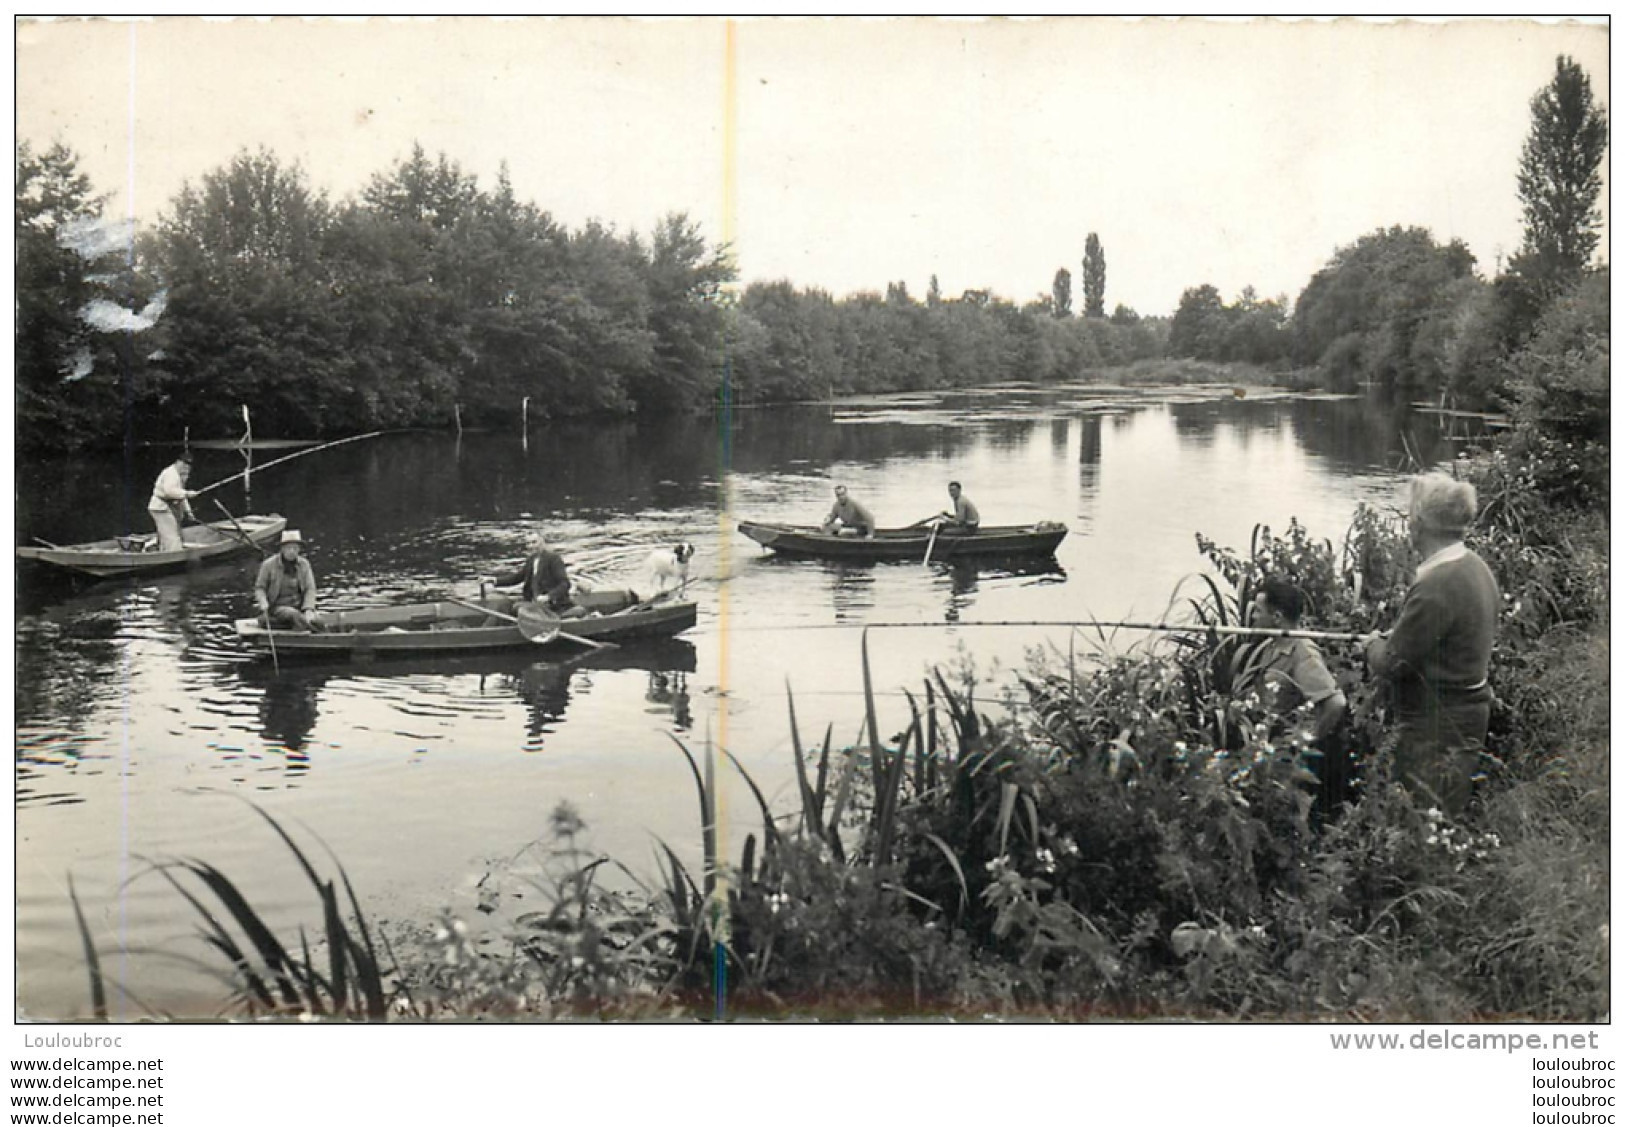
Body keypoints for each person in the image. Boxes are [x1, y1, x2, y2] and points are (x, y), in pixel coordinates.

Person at [1363, 473, 1501, 816]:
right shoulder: (1475, 567)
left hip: (1436, 725)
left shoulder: (1437, 584)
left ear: (1421, 523)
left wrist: (1370, 646)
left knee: (1417, 821)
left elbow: (1394, 664)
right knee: (1441, 822)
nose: (1408, 523)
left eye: (1411, 515)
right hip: (1466, 716)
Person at [1230, 577, 1348, 747]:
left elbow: (1336, 703)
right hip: (1267, 748)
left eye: (1258, 611)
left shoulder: (1302, 652)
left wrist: (1306, 739)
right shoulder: (1273, 645)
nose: (1253, 616)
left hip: (1288, 759)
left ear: (1277, 617)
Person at [491, 534, 580, 616]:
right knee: (503, 604)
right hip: (532, 602)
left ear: (543, 542)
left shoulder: (554, 559)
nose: (531, 546)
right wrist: (493, 580)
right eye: (528, 543)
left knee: (519, 608)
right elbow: (517, 578)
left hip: (552, 605)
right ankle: (488, 629)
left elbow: (565, 584)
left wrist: (548, 596)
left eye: (534, 542)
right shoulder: (531, 559)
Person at [255, 531, 319, 632]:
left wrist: (308, 609)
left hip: (299, 606)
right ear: (282, 549)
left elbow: (310, 588)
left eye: (295, 548)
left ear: (299, 549)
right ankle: (308, 636)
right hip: (277, 607)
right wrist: (263, 602)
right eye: (289, 548)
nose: (292, 551)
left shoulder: (304, 564)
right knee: (293, 614)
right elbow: (260, 588)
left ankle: (313, 632)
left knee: (317, 621)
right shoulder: (268, 565)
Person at [147, 451, 199, 552]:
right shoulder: (171, 474)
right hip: (160, 508)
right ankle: (173, 555)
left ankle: (161, 549)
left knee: (171, 532)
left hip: (168, 507)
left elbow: (181, 495)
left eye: (188, 465)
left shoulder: (180, 475)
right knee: (171, 536)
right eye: (184, 463)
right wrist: (187, 493)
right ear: (178, 462)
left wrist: (189, 512)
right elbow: (169, 492)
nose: (186, 467)